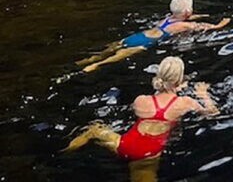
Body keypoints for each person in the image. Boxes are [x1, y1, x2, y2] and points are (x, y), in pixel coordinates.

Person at [63, 56, 219, 182]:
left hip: (123, 145)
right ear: (178, 81)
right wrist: (203, 93)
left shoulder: (140, 100)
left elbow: (149, 105)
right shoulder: (185, 103)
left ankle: (66, 151)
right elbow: (212, 113)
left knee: (95, 128)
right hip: (146, 156)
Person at [77, 0, 230, 72]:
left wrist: (198, 15)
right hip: (146, 43)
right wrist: (219, 24)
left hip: (138, 36)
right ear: (188, 11)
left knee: (114, 47)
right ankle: (97, 65)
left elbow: (185, 17)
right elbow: (200, 26)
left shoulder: (167, 19)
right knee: (119, 56)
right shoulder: (183, 26)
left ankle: (90, 59)